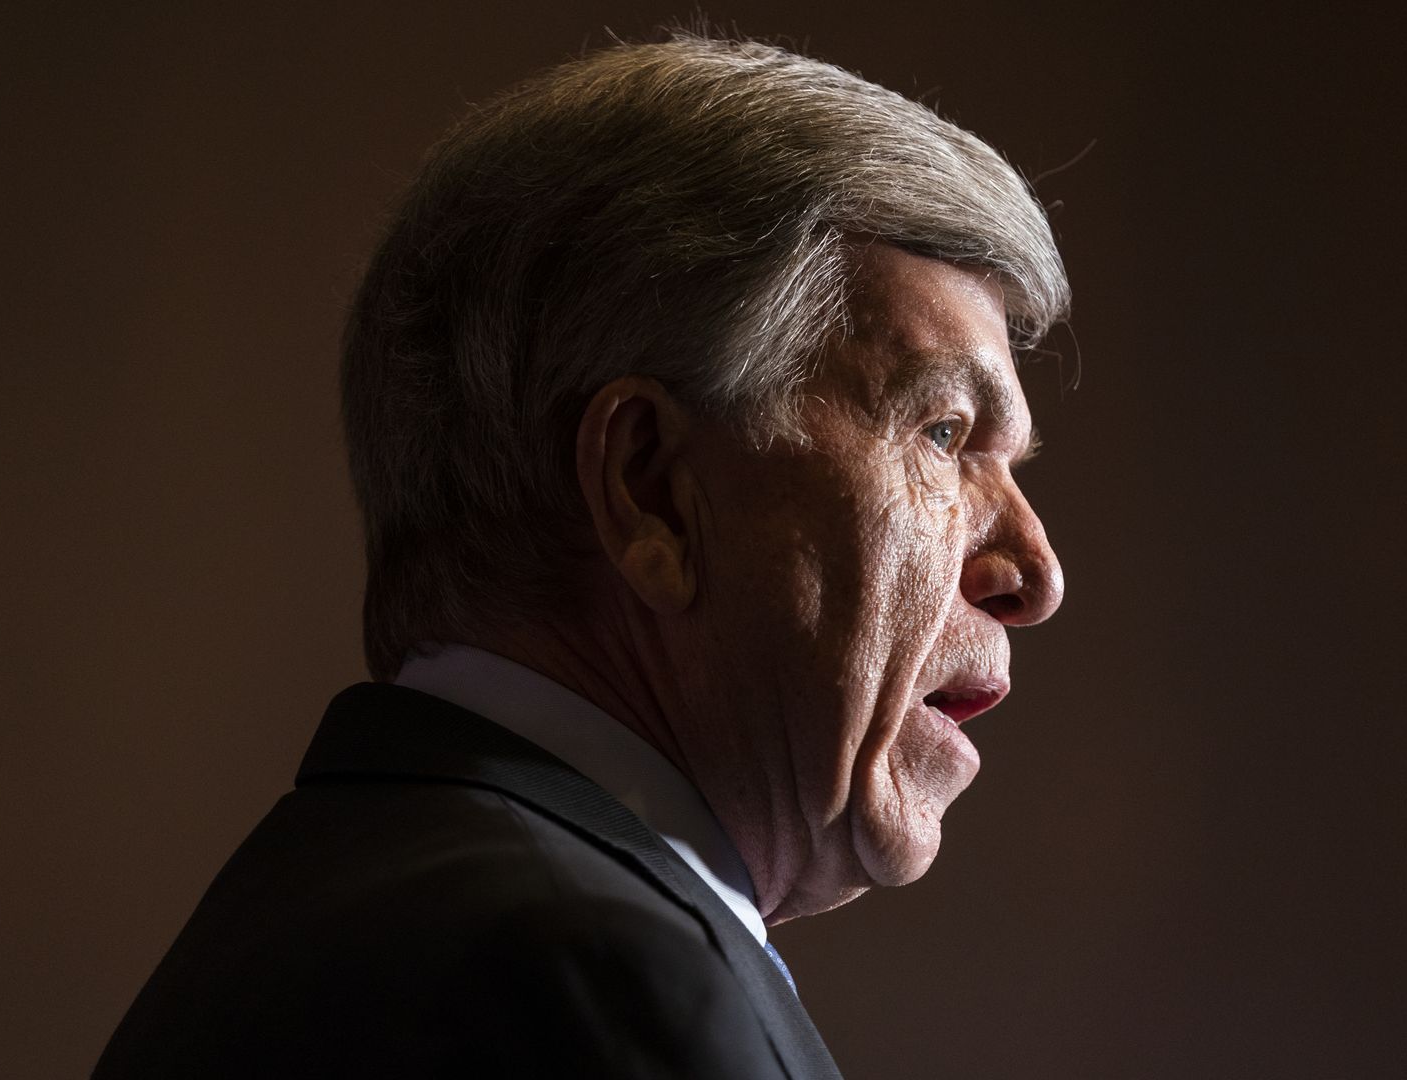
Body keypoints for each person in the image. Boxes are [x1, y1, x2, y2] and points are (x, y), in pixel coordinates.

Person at [96, 31, 1068, 1079]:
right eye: (942, 436)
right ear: (650, 488)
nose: (1034, 571)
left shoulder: (328, 897)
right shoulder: (590, 984)